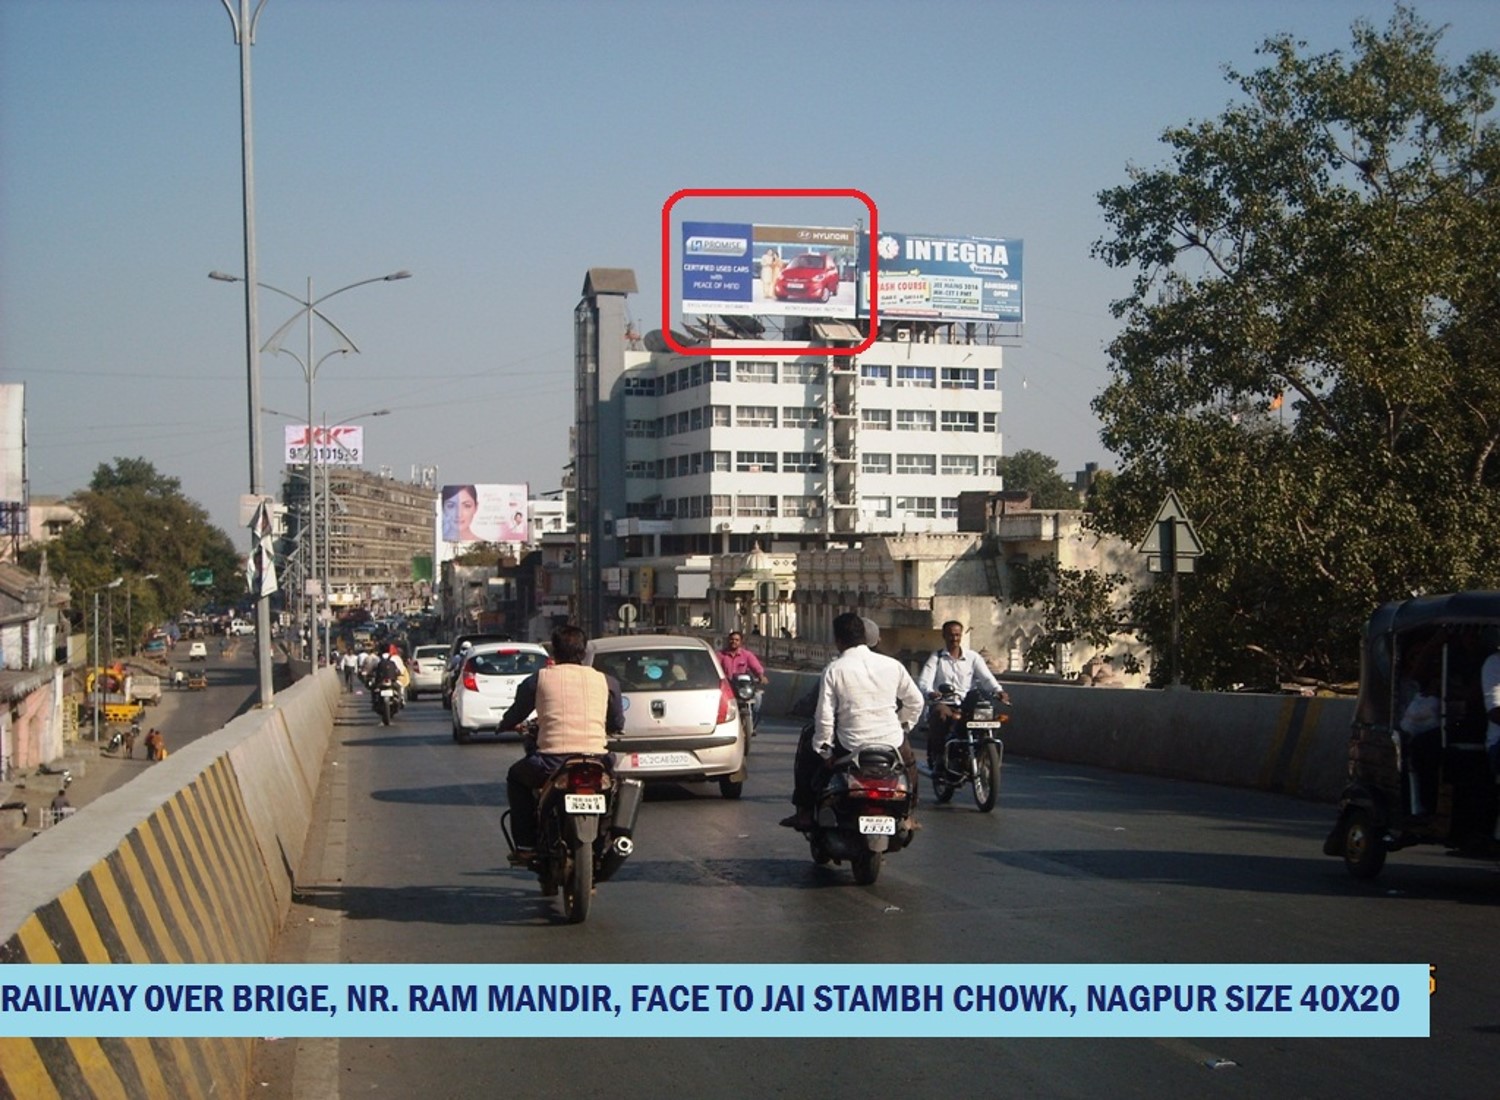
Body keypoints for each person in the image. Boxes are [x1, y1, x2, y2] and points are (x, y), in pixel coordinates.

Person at [782, 612, 924, 830]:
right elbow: (915, 702)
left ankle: (805, 811)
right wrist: (901, 725)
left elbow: (824, 717)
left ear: (838, 640)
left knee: (808, 750)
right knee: (910, 765)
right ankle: (909, 815)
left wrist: (825, 751)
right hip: (891, 741)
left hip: (849, 743)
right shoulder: (892, 665)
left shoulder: (834, 669)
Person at [497, 624, 624, 859]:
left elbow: (517, 712)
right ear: (584, 652)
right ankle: (611, 840)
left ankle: (525, 845)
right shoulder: (607, 681)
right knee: (617, 788)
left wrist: (503, 725)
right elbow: (617, 721)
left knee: (516, 777)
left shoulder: (539, 679)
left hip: (550, 763)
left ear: (554, 652)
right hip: (597, 760)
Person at [918, 620, 1007, 773]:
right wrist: (931, 692)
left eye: (957, 635)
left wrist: (999, 691)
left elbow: (987, 679)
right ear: (944, 636)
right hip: (944, 702)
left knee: (989, 716)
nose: (954, 639)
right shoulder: (937, 657)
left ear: (962, 636)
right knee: (941, 714)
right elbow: (924, 681)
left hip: (967, 703)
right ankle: (939, 757)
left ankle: (982, 753)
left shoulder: (973, 657)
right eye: (951, 635)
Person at [719, 630, 769, 730]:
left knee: (758, 698)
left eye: (737, 640)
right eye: (732, 639)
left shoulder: (747, 655)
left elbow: (756, 668)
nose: (734, 642)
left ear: (741, 642)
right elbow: (714, 668)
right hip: (727, 688)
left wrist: (761, 676)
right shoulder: (721, 655)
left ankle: (753, 724)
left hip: (743, 688)